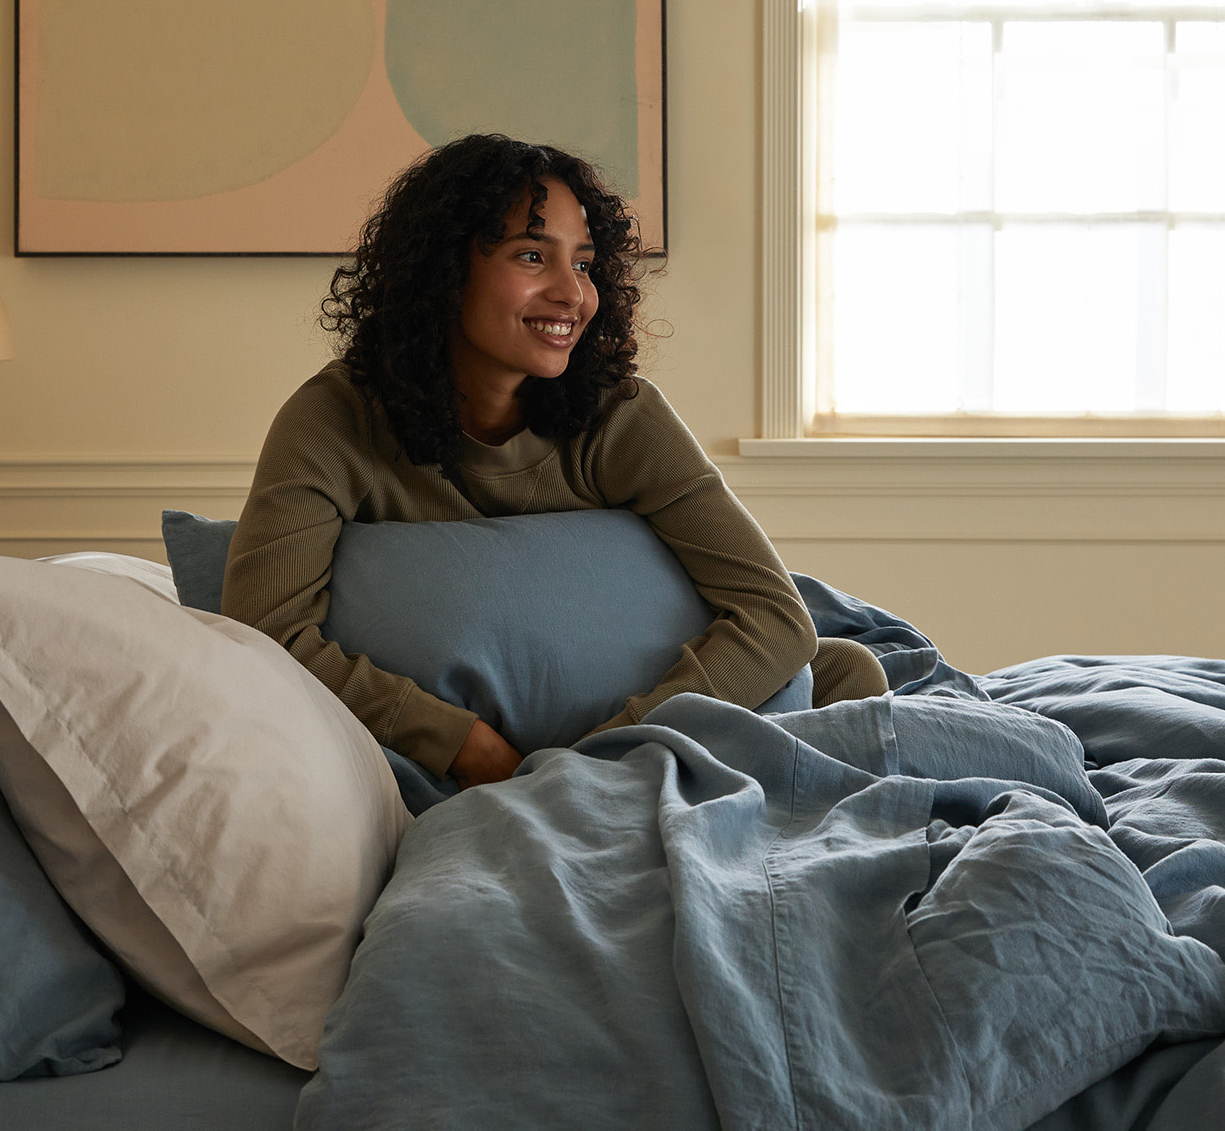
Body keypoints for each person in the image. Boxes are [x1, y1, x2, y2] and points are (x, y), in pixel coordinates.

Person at [221, 134, 888, 790]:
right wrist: (458, 743)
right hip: (446, 761)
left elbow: (776, 615)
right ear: (444, 272)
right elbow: (267, 628)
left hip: (629, 737)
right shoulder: (334, 422)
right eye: (533, 256)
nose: (574, 294)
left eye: (586, 263)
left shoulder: (619, 416)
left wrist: (600, 759)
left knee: (846, 672)